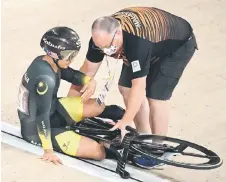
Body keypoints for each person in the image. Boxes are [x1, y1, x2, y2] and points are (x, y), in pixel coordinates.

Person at [68, 7, 198, 168]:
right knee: (125, 87)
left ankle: (158, 148)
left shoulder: (137, 42)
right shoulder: (102, 40)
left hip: (176, 47)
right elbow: (87, 71)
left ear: (118, 33)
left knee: (155, 96)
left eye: (109, 47)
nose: (107, 52)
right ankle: (144, 137)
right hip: (148, 42)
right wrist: (68, 106)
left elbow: (139, 86)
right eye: (102, 49)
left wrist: (125, 120)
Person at [17, 26, 124, 165]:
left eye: (74, 54)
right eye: (69, 55)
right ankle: (110, 148)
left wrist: (88, 81)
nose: (71, 59)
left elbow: (69, 74)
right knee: (98, 152)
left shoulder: (47, 61)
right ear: (54, 54)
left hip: (53, 111)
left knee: (97, 105)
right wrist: (48, 151)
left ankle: (116, 121)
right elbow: (41, 116)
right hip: (36, 129)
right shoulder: (45, 79)